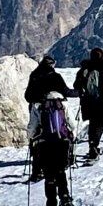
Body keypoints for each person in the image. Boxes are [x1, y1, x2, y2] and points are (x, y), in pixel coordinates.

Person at [24, 55, 75, 185]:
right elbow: (66, 91)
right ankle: (64, 164)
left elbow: (28, 96)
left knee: (37, 143)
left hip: (38, 110)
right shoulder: (56, 77)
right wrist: (80, 93)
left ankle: (37, 171)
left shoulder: (34, 75)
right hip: (57, 113)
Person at [74, 47, 103, 160]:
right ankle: (94, 146)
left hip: (87, 101)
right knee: (99, 123)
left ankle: (92, 145)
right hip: (100, 100)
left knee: (92, 124)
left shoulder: (84, 69)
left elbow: (76, 85)